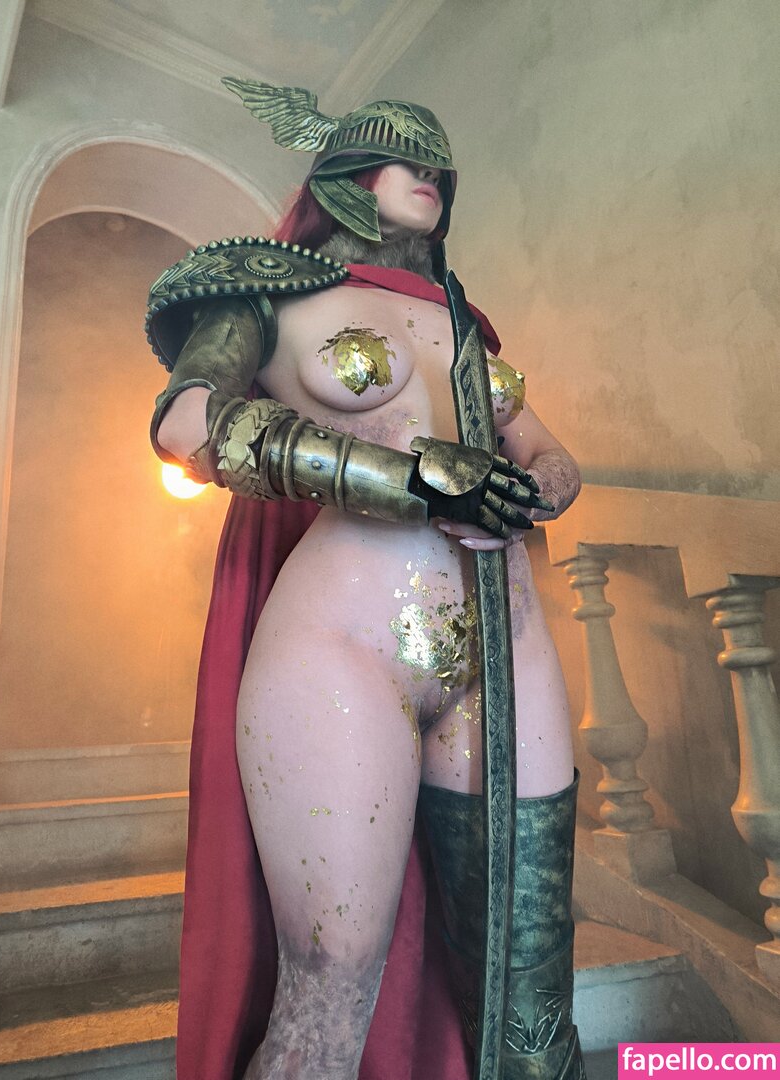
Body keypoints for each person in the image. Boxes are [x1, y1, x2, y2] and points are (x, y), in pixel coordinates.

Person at [146, 80, 583, 1080]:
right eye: (404, 156)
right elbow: (185, 425)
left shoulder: (464, 323)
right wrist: (407, 478)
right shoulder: (263, 287)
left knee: (531, 1007)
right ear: (344, 174)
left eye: (439, 166)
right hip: (345, 641)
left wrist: (528, 490)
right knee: (330, 995)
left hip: (504, 639)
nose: (431, 174)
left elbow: (553, 455)